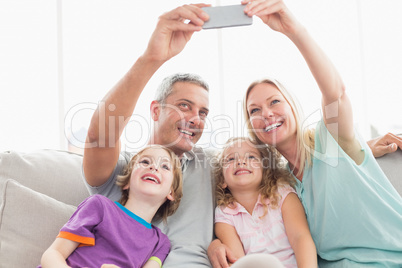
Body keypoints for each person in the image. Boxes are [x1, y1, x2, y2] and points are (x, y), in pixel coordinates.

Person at [82, 2, 401, 268]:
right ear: (155, 110)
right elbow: (100, 137)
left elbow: (266, 160)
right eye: (184, 106)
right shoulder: (127, 170)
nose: (195, 119)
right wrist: (151, 59)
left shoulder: (209, 163)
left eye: (203, 112)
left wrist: (357, 148)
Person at [208, 0, 402, 267]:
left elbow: (337, 93)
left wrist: (293, 30)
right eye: (254, 110)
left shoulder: (331, 142)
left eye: (275, 102)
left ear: (294, 108)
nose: (266, 113)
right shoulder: (282, 184)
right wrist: (215, 242)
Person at [39, 145, 183, 268]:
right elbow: (52, 255)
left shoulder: (161, 243)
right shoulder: (99, 206)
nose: (154, 167)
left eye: (165, 166)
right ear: (127, 182)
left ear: (171, 192)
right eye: (145, 162)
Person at [214, 137, 317, 267]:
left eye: (251, 157)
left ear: (265, 171)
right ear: (222, 180)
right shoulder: (224, 213)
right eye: (231, 159)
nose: (240, 161)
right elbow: (238, 261)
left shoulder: (282, 194)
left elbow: (300, 238)